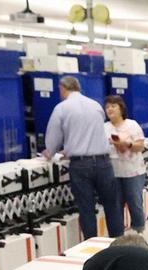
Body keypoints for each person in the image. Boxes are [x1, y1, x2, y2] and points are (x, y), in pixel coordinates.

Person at [44, 76, 124, 239]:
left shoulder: (62, 108)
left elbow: (53, 137)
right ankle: (119, 243)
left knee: (86, 208)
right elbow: (92, 131)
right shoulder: (95, 106)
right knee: (112, 205)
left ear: (63, 89)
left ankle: (92, 247)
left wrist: (50, 152)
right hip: (103, 163)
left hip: (80, 165)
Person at [104, 95, 147, 234]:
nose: (110, 109)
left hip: (133, 171)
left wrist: (126, 144)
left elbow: (140, 146)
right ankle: (118, 235)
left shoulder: (132, 125)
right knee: (116, 205)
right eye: (107, 107)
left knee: (135, 203)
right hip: (113, 173)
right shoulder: (104, 128)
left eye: (113, 106)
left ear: (121, 108)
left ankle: (138, 232)